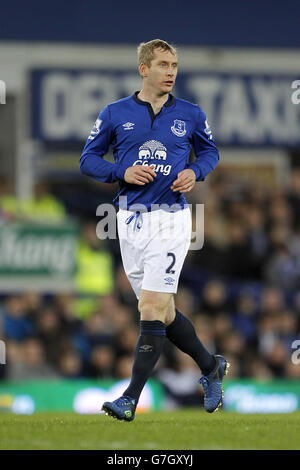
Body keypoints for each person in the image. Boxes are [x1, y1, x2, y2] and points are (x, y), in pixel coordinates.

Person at [80, 39, 229, 421]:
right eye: (163, 64)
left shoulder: (191, 114)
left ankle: (129, 397)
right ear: (144, 69)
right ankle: (210, 366)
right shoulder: (115, 113)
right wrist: (121, 171)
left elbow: (210, 152)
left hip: (171, 218)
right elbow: (88, 160)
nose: (171, 72)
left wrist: (195, 171)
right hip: (128, 220)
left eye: (175, 65)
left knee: (149, 307)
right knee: (162, 313)